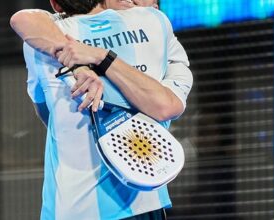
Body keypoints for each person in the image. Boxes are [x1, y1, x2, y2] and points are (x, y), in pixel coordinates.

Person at [10, 0, 192, 219]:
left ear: (55, 5)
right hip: (144, 203)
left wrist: (91, 61)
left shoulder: (44, 40)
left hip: (72, 209)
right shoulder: (155, 23)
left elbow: (46, 112)